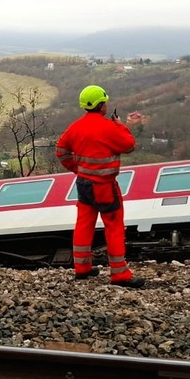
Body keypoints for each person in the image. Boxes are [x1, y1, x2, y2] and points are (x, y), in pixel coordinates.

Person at [55, 85, 145, 289]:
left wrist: (76, 169)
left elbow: (61, 150)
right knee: (113, 227)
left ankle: (82, 268)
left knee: (84, 224)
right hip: (104, 186)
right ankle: (120, 274)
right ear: (101, 105)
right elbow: (129, 145)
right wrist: (121, 126)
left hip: (83, 184)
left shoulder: (75, 127)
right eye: (105, 101)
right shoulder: (109, 127)